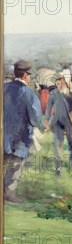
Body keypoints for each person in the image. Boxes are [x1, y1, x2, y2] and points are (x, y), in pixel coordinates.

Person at [3, 60, 43, 203]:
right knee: (15, 166)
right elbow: (35, 118)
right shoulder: (28, 93)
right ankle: (9, 194)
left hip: (4, 134)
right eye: (29, 75)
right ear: (25, 75)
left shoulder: (4, 88)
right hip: (20, 136)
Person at [45, 70, 72, 176]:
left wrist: (71, 93)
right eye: (57, 80)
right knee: (57, 144)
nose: (59, 82)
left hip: (69, 121)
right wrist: (47, 119)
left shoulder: (69, 92)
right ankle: (58, 167)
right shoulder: (53, 93)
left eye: (61, 80)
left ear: (65, 81)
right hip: (57, 122)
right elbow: (48, 107)